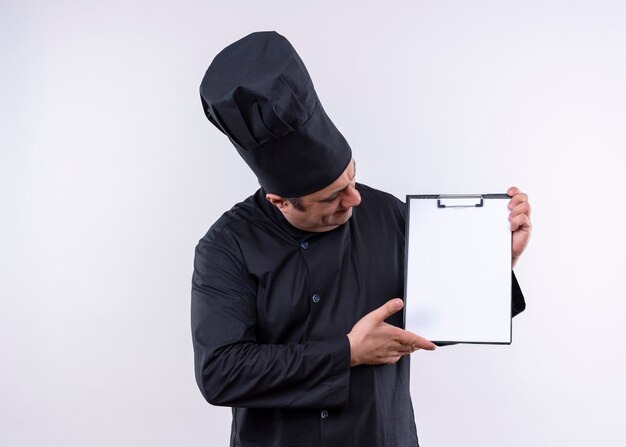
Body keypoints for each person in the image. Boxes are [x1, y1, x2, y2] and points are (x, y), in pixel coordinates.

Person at [191, 31, 531, 447]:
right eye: (332, 196)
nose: (354, 198)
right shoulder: (226, 247)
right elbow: (221, 373)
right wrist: (346, 352)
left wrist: (495, 263)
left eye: (352, 176)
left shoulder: (387, 213)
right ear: (280, 201)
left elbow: (429, 319)